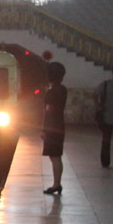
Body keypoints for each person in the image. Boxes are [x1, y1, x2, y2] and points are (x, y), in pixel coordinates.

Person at [41, 61, 67, 195]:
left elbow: (49, 111)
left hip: (52, 127)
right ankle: (57, 183)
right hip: (60, 125)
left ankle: (56, 184)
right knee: (57, 156)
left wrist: (44, 129)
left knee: (55, 156)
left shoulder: (52, 92)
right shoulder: (63, 89)